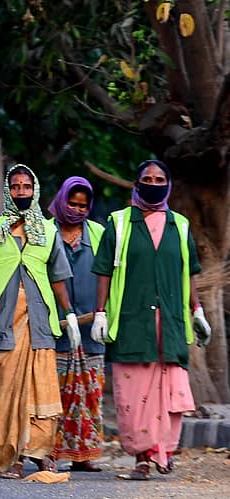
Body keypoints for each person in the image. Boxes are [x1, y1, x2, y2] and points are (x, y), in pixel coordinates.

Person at [0, 164, 80, 479]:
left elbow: (59, 277)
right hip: (2, 322)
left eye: (26, 187)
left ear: (34, 190)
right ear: (8, 191)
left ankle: (39, 453)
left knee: (41, 388)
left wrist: (70, 314)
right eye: (16, 187)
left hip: (39, 323)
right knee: (5, 389)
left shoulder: (48, 231)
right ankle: (12, 456)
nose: (21, 192)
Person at [91, 159, 210, 480]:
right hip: (131, 324)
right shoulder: (118, 223)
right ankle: (142, 458)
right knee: (133, 394)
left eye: (159, 179)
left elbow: (189, 274)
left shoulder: (180, 226)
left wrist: (197, 311)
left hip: (170, 325)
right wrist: (100, 312)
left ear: (168, 185)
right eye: (147, 178)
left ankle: (165, 453)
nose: (153, 184)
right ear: (136, 183)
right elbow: (103, 271)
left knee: (171, 392)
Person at [47, 176, 107, 472]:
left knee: (90, 394)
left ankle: (87, 454)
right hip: (55, 329)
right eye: (72, 203)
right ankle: (54, 452)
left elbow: (110, 275)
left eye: (83, 205)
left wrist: (104, 313)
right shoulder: (45, 232)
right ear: (61, 201)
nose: (78, 209)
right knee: (56, 394)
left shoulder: (97, 233)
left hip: (91, 329)